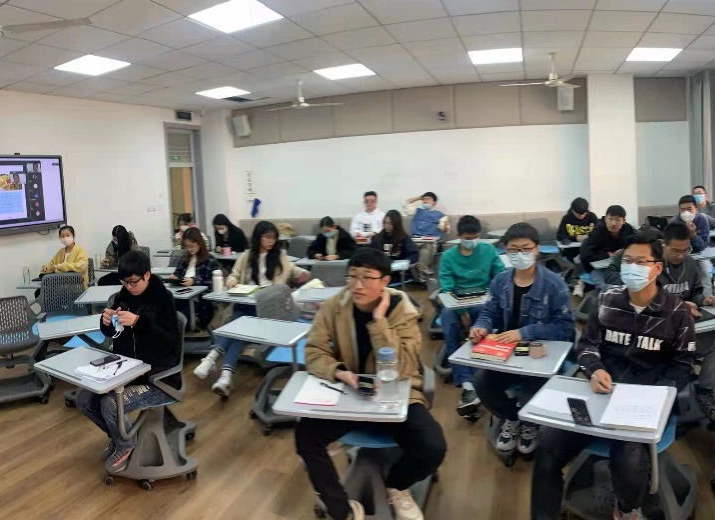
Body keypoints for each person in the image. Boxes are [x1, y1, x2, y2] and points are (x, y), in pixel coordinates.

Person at [533, 230, 695, 520]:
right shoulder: (606, 300)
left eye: (640, 262)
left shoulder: (677, 313)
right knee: (547, 447)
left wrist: (657, 397)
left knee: (628, 460)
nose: (632, 267)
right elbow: (586, 346)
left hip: (643, 402)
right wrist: (594, 369)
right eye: (627, 261)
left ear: (657, 267)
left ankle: (627, 510)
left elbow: (682, 367)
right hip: (600, 394)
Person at [295, 248, 446, 520]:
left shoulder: (402, 310)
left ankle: (397, 485)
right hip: (349, 394)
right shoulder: (334, 306)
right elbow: (314, 351)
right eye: (352, 276)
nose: (357, 285)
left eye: (367, 277)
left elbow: (402, 367)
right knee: (306, 436)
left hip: (395, 396)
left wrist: (379, 320)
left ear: (385, 281)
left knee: (433, 446)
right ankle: (341, 509)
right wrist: (341, 373)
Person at [471, 223, 575, 457]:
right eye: (514, 249)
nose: (520, 254)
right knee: (481, 382)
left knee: (532, 387)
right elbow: (489, 312)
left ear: (537, 249)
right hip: (507, 352)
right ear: (506, 251)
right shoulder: (500, 281)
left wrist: (525, 332)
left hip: (540, 354)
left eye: (526, 248)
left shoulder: (554, 285)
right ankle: (513, 417)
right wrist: (481, 326)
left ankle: (531, 423)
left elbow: (565, 328)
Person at [606, 224, 715, 421]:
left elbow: (695, 291)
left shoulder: (690, 263)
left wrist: (703, 300)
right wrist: (677, 305)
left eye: (685, 250)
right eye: (675, 251)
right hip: (655, 335)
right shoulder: (649, 264)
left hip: (686, 329)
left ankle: (704, 390)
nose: (680, 255)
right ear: (664, 245)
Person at [76, 250, 180, 473]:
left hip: (159, 377)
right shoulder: (123, 296)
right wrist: (106, 322)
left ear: (147, 275)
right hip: (126, 370)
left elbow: (170, 342)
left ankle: (126, 444)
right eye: (125, 282)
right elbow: (115, 333)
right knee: (84, 399)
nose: (129, 287)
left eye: (134, 282)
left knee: (110, 404)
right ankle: (119, 437)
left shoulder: (162, 299)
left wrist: (139, 322)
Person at [197, 221, 309, 396]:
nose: (271, 241)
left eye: (273, 238)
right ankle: (225, 376)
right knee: (239, 329)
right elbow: (234, 274)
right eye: (267, 237)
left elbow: (293, 270)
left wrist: (303, 274)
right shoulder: (247, 256)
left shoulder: (279, 255)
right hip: (246, 301)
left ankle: (213, 358)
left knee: (237, 327)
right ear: (258, 237)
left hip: (268, 306)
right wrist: (232, 281)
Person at [439, 215, 506, 419]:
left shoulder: (488, 250)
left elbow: (500, 275)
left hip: (484, 299)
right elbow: (447, 288)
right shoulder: (448, 256)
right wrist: (462, 312)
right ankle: (468, 385)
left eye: (476, 237)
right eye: (468, 238)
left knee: (483, 328)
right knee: (449, 323)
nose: (472, 241)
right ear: (459, 236)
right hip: (457, 302)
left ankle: (483, 378)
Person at [167, 227, 221, 331]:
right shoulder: (184, 259)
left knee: (178, 317)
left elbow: (211, 284)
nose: (189, 249)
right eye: (186, 246)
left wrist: (194, 281)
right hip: (181, 295)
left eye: (191, 246)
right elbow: (178, 273)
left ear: (199, 243)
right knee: (167, 310)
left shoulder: (210, 260)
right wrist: (174, 277)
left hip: (198, 299)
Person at [579, 205, 635, 285]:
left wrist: (623, 251)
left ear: (624, 221)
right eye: (610, 219)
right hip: (600, 268)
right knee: (605, 285)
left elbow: (636, 248)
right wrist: (607, 255)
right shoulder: (598, 231)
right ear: (605, 219)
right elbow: (586, 255)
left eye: (618, 220)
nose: (613, 223)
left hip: (621, 266)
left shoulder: (628, 230)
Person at [405, 192, 448, 278]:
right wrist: (419, 197)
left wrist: (444, 226)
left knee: (426, 250)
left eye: (428, 199)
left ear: (434, 202)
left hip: (429, 241)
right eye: (424, 199)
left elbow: (445, 230)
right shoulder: (417, 211)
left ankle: (420, 274)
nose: (425, 201)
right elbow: (405, 203)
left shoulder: (441, 215)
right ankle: (415, 274)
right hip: (415, 239)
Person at [556, 197, 597, 261]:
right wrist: (575, 238)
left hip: (589, 248)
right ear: (573, 210)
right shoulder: (566, 218)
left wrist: (590, 236)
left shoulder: (591, 216)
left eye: (584, 214)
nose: (582, 216)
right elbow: (559, 236)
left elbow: (600, 231)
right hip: (572, 250)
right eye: (579, 214)